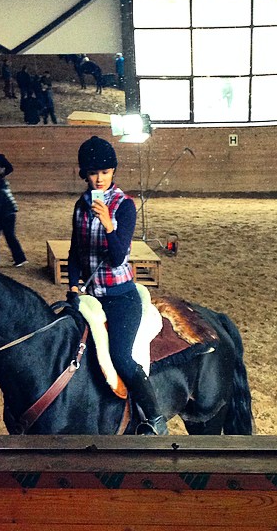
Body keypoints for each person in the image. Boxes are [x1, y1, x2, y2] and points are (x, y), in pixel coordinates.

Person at [66, 136, 168, 435]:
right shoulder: (80, 206)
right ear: (84, 174)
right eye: (93, 173)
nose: (99, 178)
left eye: (105, 172)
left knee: (121, 357)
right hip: (90, 296)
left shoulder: (125, 206)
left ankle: (155, 418)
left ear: (113, 172)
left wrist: (108, 224)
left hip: (120, 296)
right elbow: (75, 251)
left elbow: (118, 255)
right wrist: (73, 285)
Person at [0, 166, 27, 267]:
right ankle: (16, 258)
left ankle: (18, 258)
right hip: (8, 213)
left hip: (4, 215)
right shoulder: (1, 185)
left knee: (0, 236)